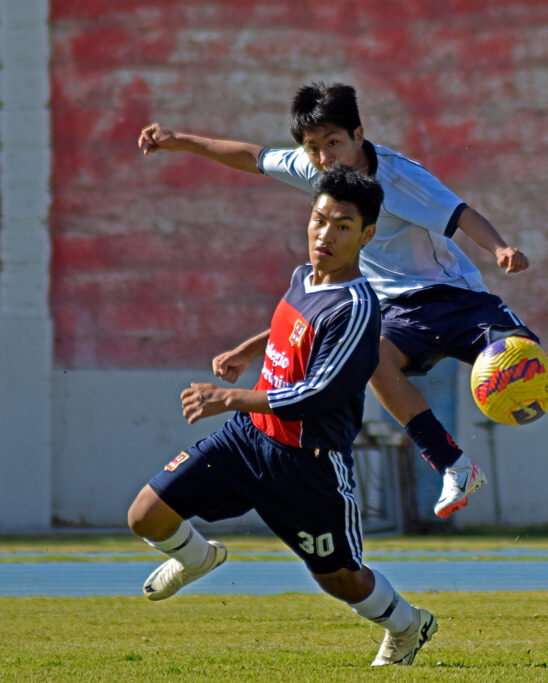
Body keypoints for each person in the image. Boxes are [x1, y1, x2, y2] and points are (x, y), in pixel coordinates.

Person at [137, 82, 548, 519]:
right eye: (313, 148)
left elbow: (462, 214)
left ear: (359, 134)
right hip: (396, 313)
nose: (324, 158)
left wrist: (500, 249)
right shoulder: (317, 172)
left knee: (535, 367)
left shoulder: (403, 179)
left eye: (333, 143)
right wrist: (178, 140)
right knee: (372, 357)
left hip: (457, 298)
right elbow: (250, 155)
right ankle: (452, 464)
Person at [126, 166, 436, 667]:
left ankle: (407, 624)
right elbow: (287, 329)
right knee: (146, 514)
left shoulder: (357, 308)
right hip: (248, 439)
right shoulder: (303, 277)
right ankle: (197, 557)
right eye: (319, 220)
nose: (325, 234)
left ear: (367, 235)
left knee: (340, 579)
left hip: (307, 464)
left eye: (342, 225)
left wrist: (228, 398)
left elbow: (315, 394)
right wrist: (247, 352)